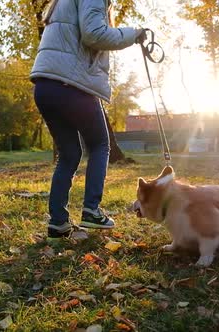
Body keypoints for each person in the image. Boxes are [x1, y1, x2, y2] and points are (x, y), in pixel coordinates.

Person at [30, 0, 146, 239]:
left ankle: (58, 223)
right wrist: (133, 34)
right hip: (71, 84)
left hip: (45, 86)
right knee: (100, 144)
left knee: (70, 154)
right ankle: (92, 210)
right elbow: (94, 34)